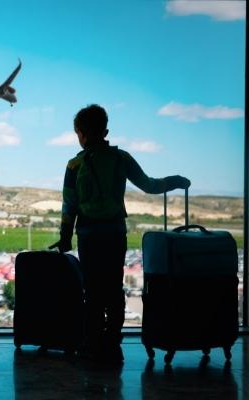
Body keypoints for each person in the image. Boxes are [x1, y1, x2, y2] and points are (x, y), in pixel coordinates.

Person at [50, 104, 190, 363]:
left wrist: (65, 236)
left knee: (92, 291)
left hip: (89, 236)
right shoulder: (121, 158)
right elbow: (149, 185)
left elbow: (69, 206)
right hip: (115, 233)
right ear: (105, 130)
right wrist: (176, 181)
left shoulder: (74, 165)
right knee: (114, 289)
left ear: (80, 133)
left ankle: (91, 344)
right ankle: (113, 344)